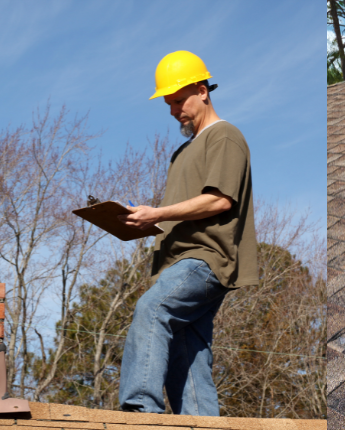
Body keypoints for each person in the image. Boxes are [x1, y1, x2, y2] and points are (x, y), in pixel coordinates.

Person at [117, 51, 258, 416]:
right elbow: (184, 212)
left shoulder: (224, 135)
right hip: (177, 261)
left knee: (153, 308)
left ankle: (140, 412)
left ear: (202, 90)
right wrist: (144, 222)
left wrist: (159, 213)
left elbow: (220, 200)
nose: (173, 110)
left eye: (179, 100)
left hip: (205, 259)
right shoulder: (182, 152)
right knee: (187, 352)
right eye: (168, 104)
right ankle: (200, 421)